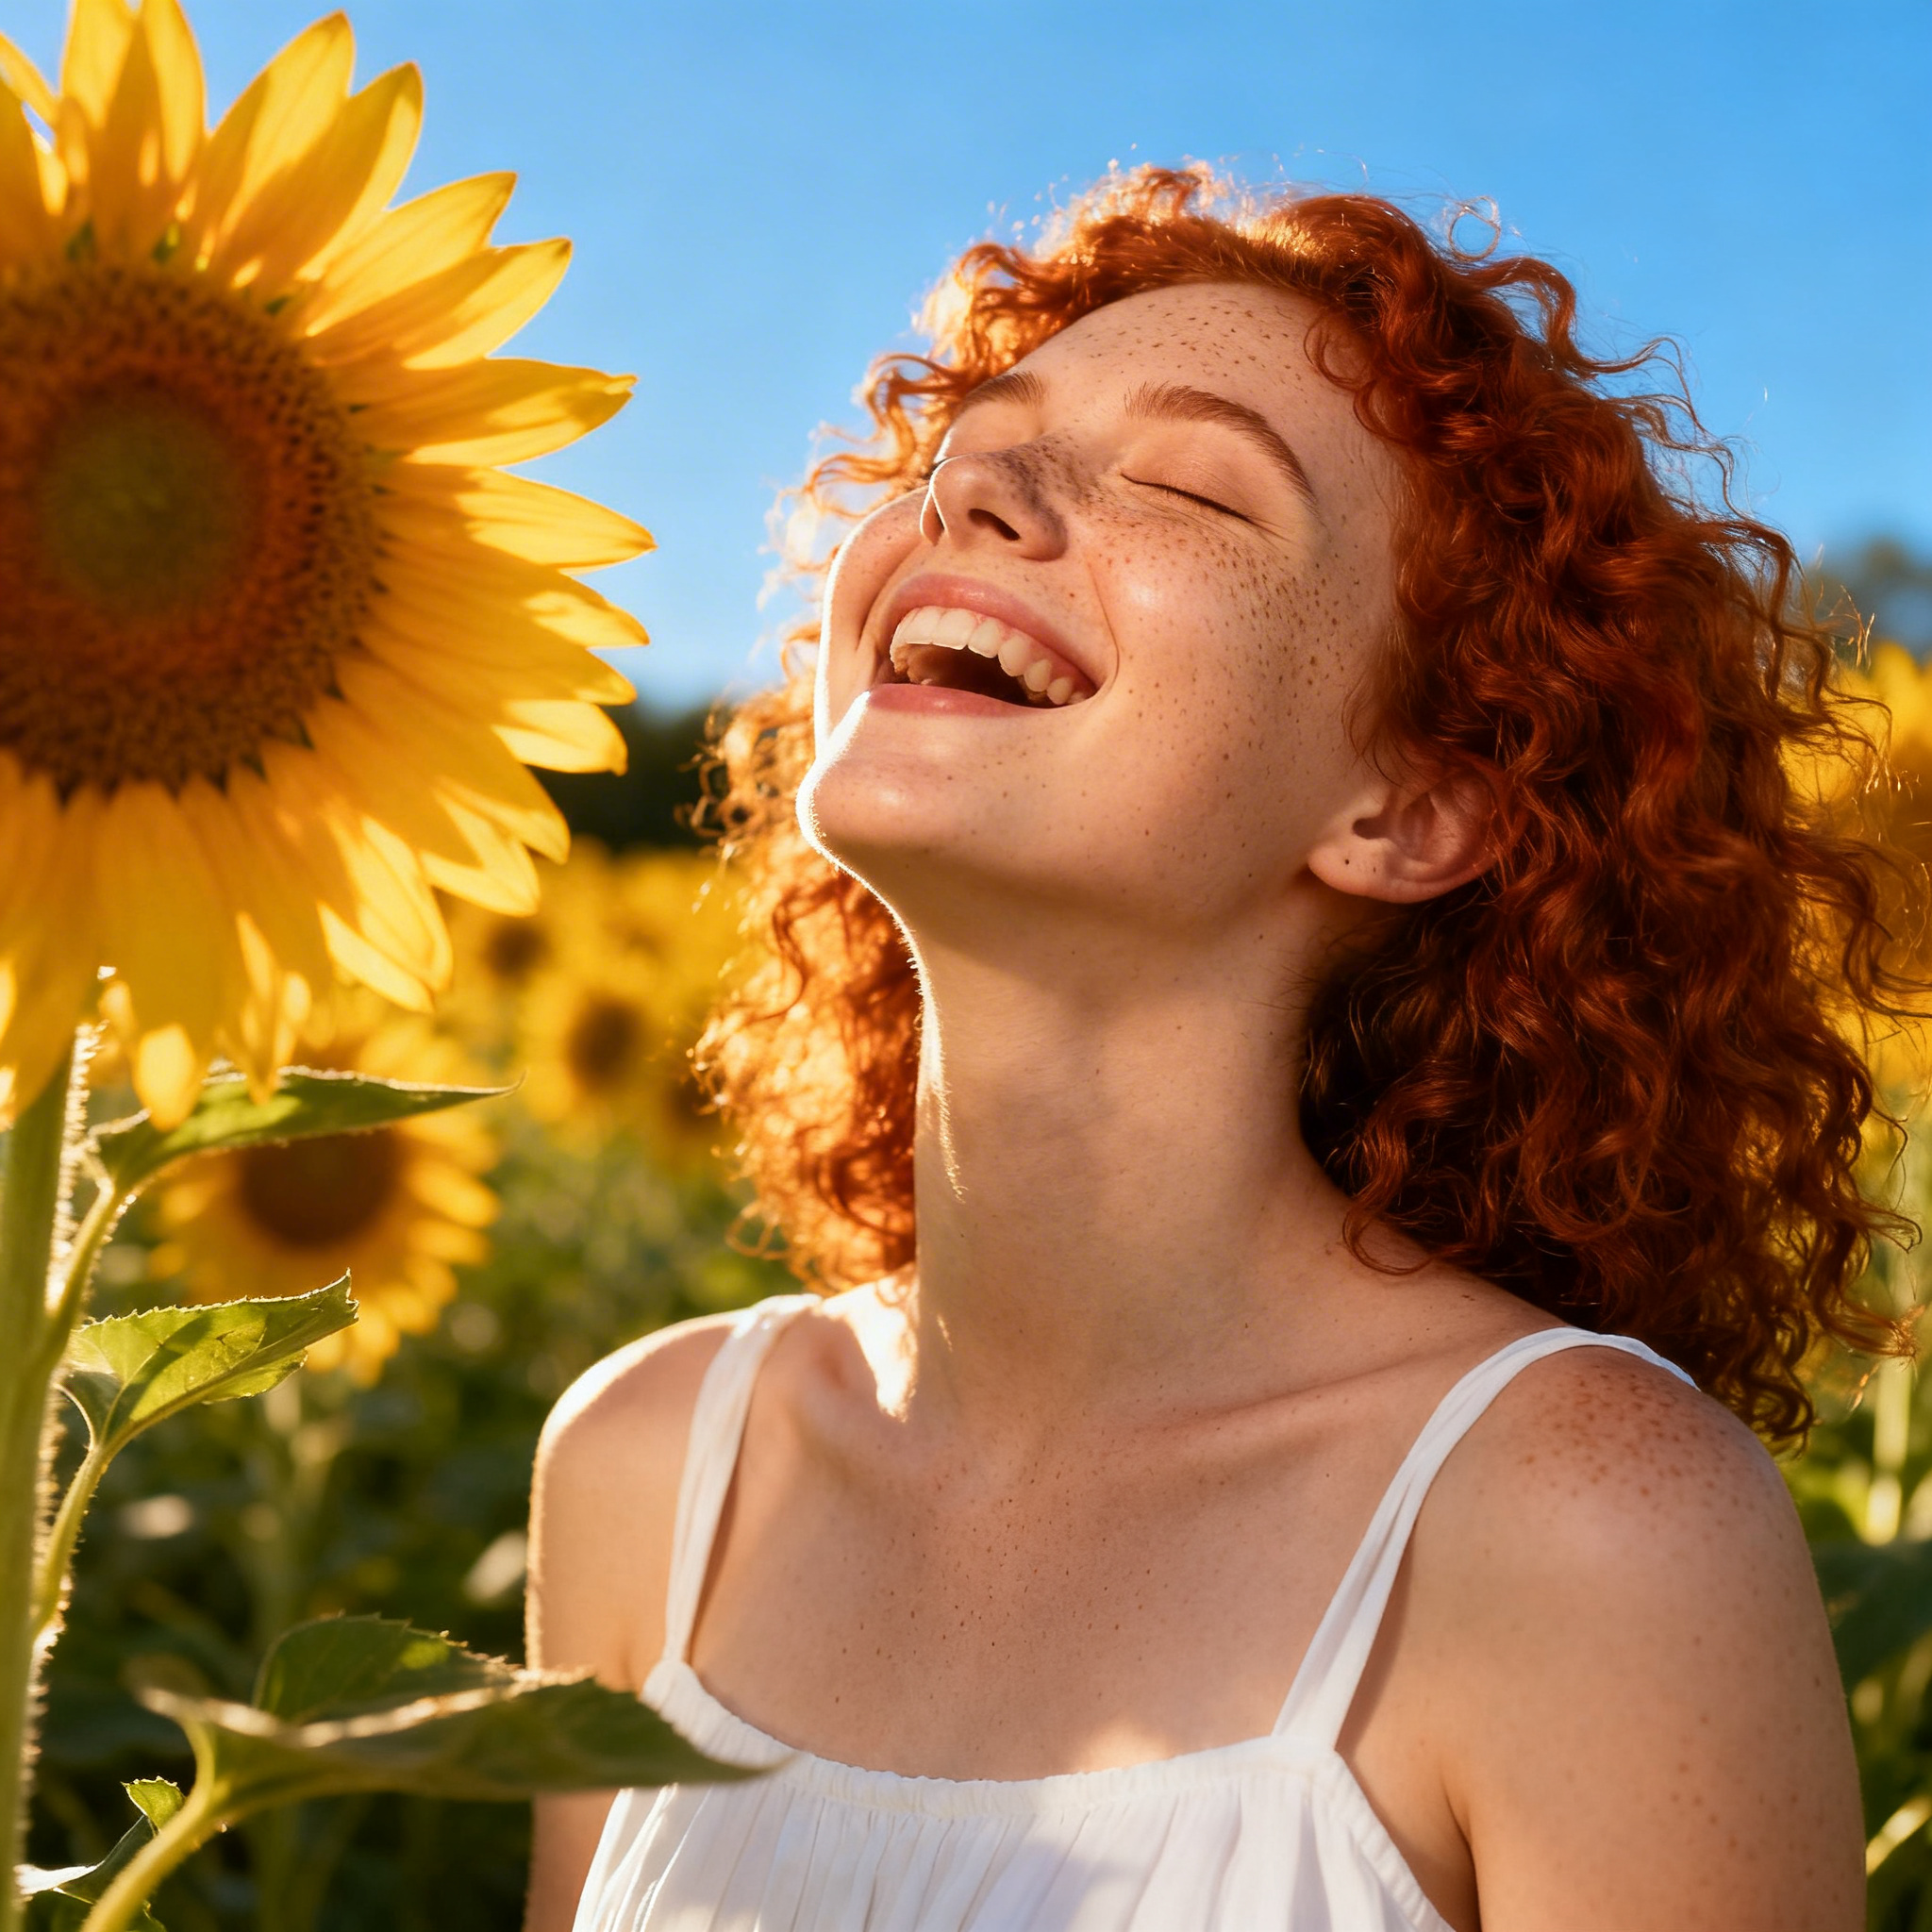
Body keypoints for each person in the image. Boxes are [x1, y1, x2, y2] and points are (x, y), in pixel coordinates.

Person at [523, 165, 1906, 1931]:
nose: (985, 495)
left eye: (1186, 483)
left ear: (1411, 808)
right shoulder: (648, 1467)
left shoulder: (1577, 1528)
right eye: (960, 461)